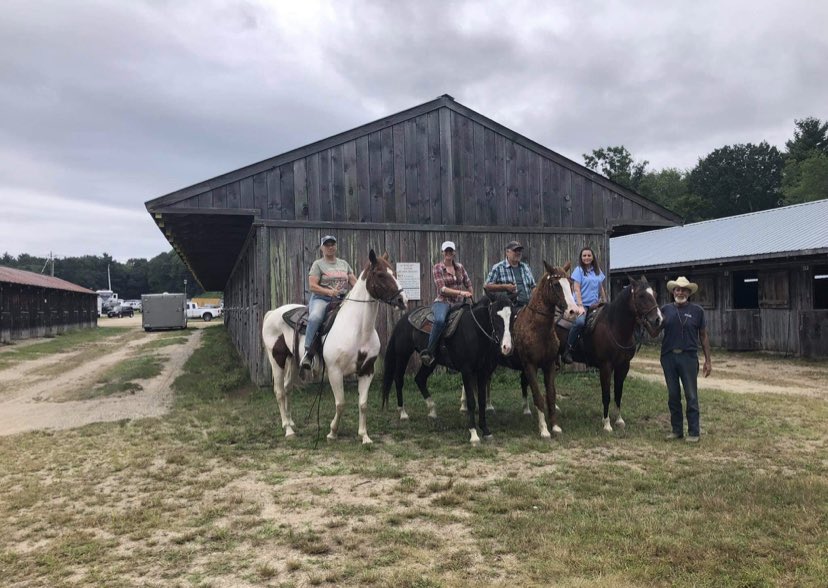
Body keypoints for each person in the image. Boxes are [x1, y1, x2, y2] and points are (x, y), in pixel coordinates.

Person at [642, 276, 712, 442]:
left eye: (683, 290)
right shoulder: (665, 310)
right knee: (673, 395)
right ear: (673, 292)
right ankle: (676, 430)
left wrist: (708, 361)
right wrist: (644, 323)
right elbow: (655, 333)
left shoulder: (697, 311)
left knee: (691, 395)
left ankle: (694, 432)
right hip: (668, 357)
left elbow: (703, 336)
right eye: (677, 289)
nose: (680, 292)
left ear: (689, 292)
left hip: (688, 357)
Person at [300, 235, 357, 370]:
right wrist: (329, 292)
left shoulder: (344, 264)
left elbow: (354, 282)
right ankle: (308, 353)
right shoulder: (318, 264)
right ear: (322, 248)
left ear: (336, 246)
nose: (330, 247)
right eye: (327, 245)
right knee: (315, 317)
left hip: (342, 299)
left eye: (332, 244)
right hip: (321, 299)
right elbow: (312, 286)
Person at [420, 240, 473, 367]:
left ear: (454, 252)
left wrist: (471, 294)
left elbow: (468, 283)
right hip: (443, 302)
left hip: (460, 303)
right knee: (439, 321)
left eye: (451, 250)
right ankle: (429, 351)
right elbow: (442, 289)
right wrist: (461, 293)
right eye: (446, 251)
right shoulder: (437, 268)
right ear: (442, 252)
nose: (448, 253)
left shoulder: (460, 267)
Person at [562, 246, 607, 363]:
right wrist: (580, 306)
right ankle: (568, 349)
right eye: (584, 256)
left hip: (596, 304)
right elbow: (576, 289)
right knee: (580, 322)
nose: (586, 258)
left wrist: (605, 300)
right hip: (583, 304)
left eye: (589, 255)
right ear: (581, 258)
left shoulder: (597, 270)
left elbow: (600, 287)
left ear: (592, 257)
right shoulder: (579, 270)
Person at [483, 240, 536, 306]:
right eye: (515, 251)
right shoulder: (498, 267)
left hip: (527, 307)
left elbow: (533, 287)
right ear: (507, 252)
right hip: (509, 308)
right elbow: (487, 286)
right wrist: (505, 287)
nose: (518, 253)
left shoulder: (526, 267)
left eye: (519, 251)